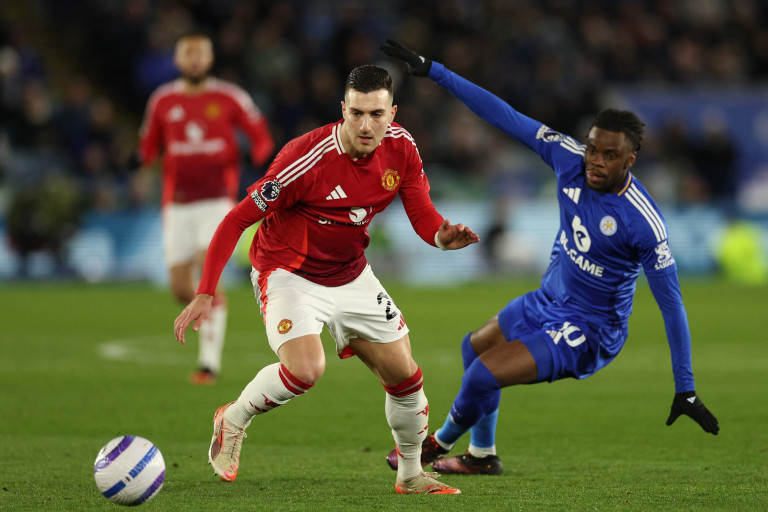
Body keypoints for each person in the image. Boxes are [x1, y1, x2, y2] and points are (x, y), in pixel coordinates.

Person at [381, 39, 719, 476]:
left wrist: (685, 388)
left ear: (630, 160)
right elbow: (505, 115)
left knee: (483, 375)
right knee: (474, 348)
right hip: (548, 300)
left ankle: (434, 445)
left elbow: (671, 305)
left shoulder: (643, 223)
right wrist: (435, 71)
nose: (595, 162)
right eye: (593, 149)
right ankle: (482, 455)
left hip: (590, 329)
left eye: (610, 156)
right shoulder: (568, 158)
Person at [173, 64, 479, 494]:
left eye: (376, 114)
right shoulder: (304, 160)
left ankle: (410, 475)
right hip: (288, 274)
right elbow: (235, 221)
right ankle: (234, 419)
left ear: (392, 113)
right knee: (306, 369)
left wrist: (443, 238)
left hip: (351, 273)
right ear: (343, 110)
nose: (366, 125)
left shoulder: (402, 148)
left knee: (406, 378)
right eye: (357, 113)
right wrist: (205, 292)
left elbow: (422, 213)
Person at [139, 31, 274, 385]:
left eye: (200, 53)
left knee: (205, 270)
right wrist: (141, 164)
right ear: (178, 60)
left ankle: (208, 364)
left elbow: (260, 135)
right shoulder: (162, 100)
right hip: (177, 204)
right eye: (188, 53)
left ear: (210, 59)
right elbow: (148, 145)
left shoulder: (230, 97)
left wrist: (258, 157)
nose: (195, 59)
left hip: (217, 202)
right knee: (179, 288)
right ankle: (215, 305)